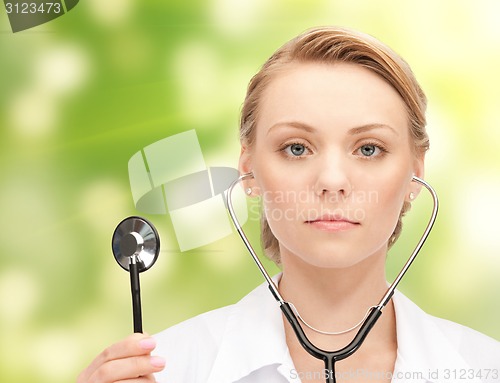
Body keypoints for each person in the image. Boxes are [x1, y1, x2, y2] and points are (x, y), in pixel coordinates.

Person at [78, 26, 500, 383]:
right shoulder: (167, 369)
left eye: (369, 149)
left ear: (416, 173)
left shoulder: (486, 368)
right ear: (249, 172)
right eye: (296, 148)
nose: (332, 181)